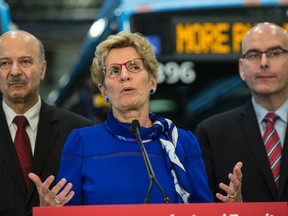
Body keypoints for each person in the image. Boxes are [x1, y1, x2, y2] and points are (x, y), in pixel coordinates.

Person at [29, 31, 242, 207]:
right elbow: (68, 211)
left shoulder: (183, 143)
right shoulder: (82, 142)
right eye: (113, 70)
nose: (125, 75)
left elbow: (201, 210)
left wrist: (233, 210)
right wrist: (52, 212)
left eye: (134, 66)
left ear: (152, 82)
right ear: (103, 90)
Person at [0, 30, 94, 216]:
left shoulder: (81, 133)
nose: (15, 71)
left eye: (25, 61)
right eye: (5, 63)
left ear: (42, 69)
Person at [195, 22, 288, 202]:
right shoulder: (212, 133)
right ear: (241, 68)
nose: (263, 63)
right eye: (253, 55)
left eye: (274, 53)